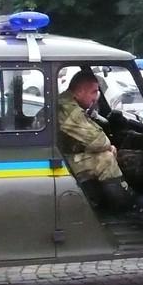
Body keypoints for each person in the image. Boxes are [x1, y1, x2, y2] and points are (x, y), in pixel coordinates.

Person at [56, 70, 135, 213]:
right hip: (59, 161)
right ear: (79, 92)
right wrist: (109, 147)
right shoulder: (68, 109)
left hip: (62, 155)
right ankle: (126, 208)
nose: (96, 97)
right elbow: (97, 141)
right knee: (105, 159)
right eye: (93, 92)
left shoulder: (69, 103)